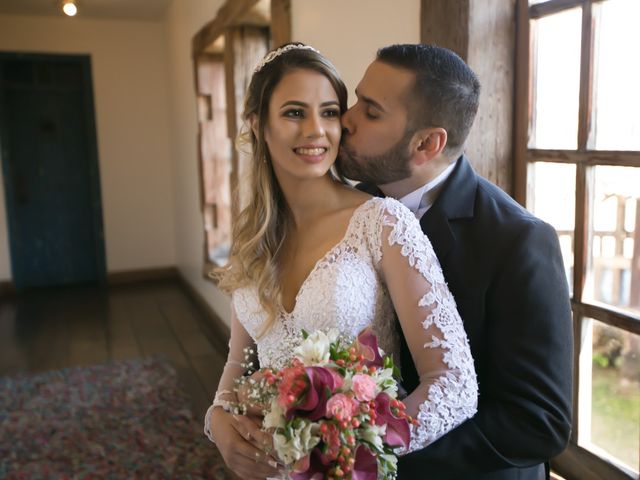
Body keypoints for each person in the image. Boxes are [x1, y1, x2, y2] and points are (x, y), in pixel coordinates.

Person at [203, 43, 478, 480]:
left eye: (329, 112)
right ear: (258, 125)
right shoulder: (252, 238)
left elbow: (454, 385)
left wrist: (349, 450)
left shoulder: (383, 224)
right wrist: (218, 419)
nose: (316, 130)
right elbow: (241, 363)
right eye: (294, 113)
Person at [338, 43, 573, 480]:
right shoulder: (352, 207)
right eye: (357, 99)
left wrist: (376, 456)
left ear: (427, 143)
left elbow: (538, 422)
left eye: (370, 112)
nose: (345, 119)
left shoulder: (519, 241)